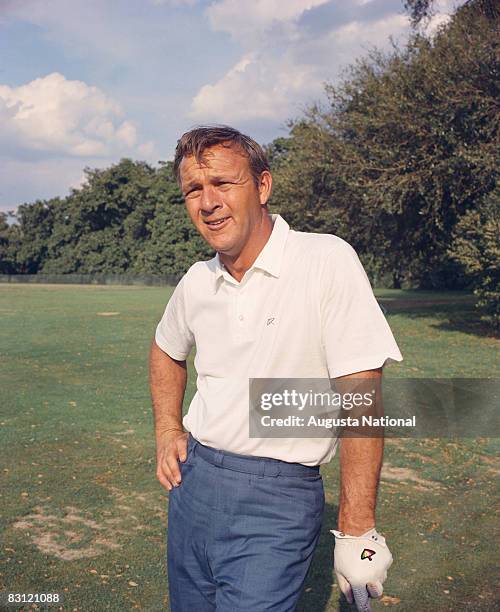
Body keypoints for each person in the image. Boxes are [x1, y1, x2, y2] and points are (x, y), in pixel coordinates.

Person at [149, 125, 402, 611]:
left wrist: (356, 528)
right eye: (193, 190)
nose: (208, 202)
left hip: (277, 499)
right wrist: (166, 429)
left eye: (223, 183)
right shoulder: (197, 280)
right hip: (193, 484)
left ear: (262, 186)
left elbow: (361, 393)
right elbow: (165, 350)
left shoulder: (325, 259)